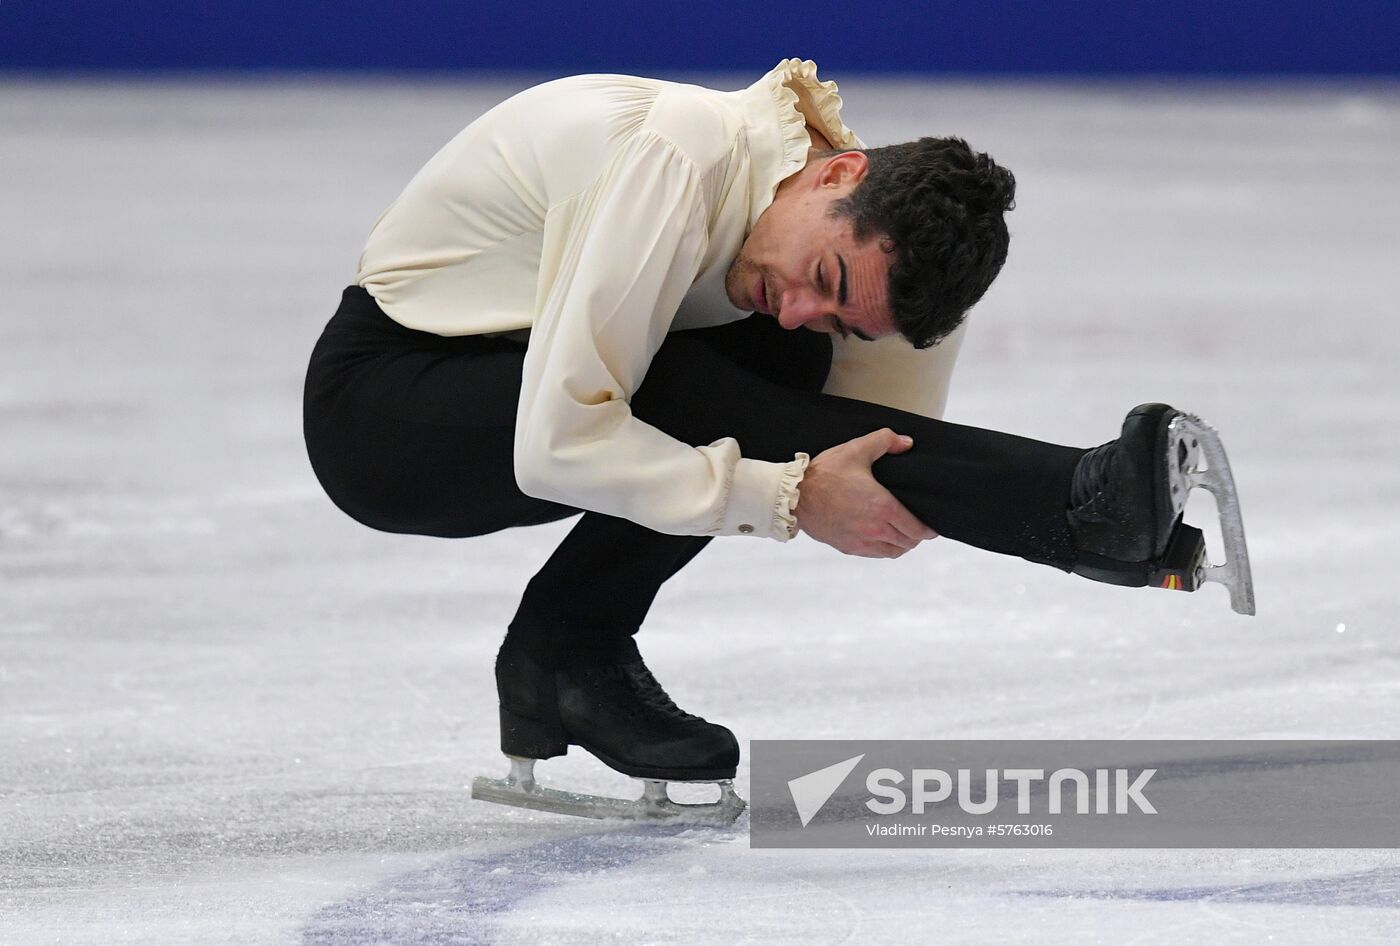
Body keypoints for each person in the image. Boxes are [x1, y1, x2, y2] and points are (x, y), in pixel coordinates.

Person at [303, 59, 1250, 819]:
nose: (804, 305)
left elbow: (878, 446)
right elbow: (558, 443)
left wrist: (867, 489)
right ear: (839, 172)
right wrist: (784, 497)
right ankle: (1073, 509)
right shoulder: (676, 161)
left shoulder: (855, 258)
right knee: (698, 384)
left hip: (532, 382)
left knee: (782, 365)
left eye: (844, 312)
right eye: (826, 272)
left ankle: (567, 658)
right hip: (387, 407)